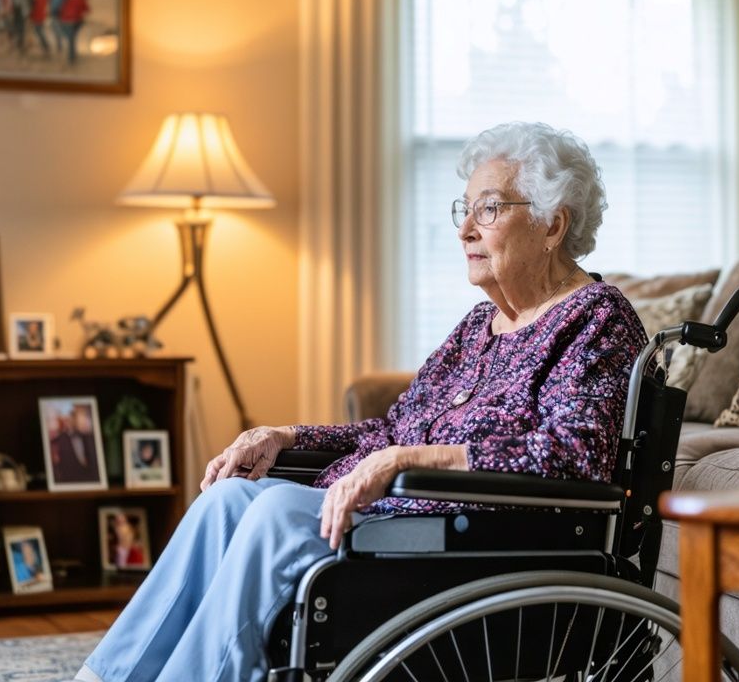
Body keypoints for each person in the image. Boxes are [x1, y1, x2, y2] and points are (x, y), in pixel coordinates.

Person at [75, 122, 645, 682]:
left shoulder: (596, 319)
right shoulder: (479, 327)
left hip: (476, 537)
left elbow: (574, 453)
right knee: (227, 501)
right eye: (464, 209)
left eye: (489, 209)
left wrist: (413, 459)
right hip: (397, 515)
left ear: (553, 224)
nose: (465, 229)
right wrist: (286, 436)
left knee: (273, 516)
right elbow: (393, 428)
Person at [50, 405, 101, 484]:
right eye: (81, 416)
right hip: (69, 485)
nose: (84, 420)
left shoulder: (90, 438)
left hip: (92, 484)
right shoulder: (58, 441)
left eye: (86, 416)